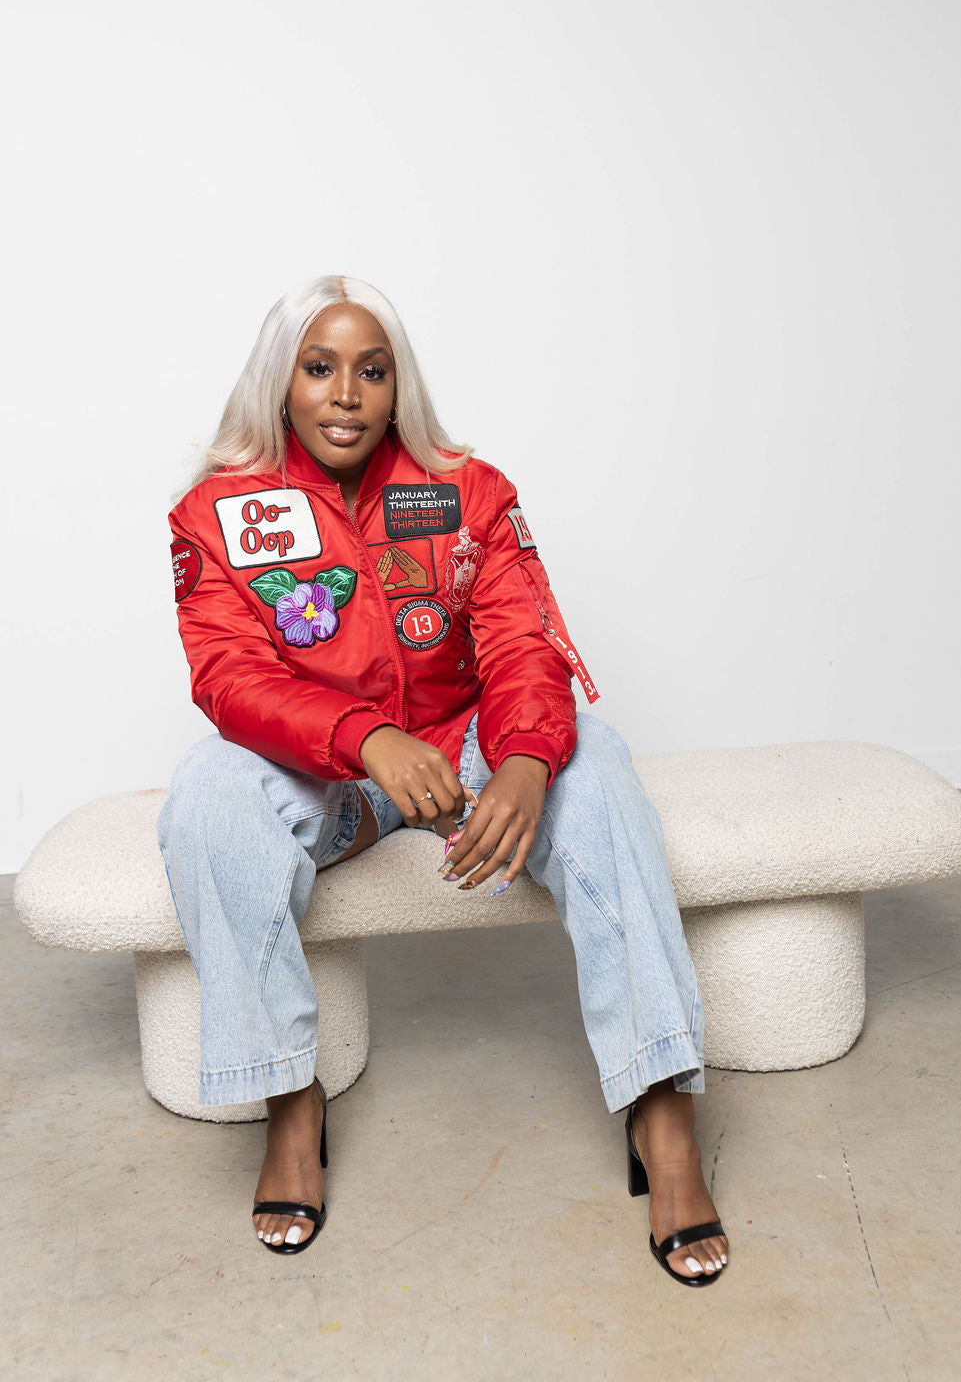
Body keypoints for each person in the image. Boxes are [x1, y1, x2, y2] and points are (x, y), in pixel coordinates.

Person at [157, 275, 729, 1287]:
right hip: (327, 774)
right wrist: (366, 739)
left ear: (397, 386)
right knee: (205, 793)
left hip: (465, 749)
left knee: (596, 763)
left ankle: (663, 1111)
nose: (346, 394)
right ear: (280, 381)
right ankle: (288, 1100)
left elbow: (520, 641)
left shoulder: (470, 492)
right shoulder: (214, 512)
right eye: (320, 368)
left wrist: (525, 759)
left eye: (371, 371)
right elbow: (229, 678)